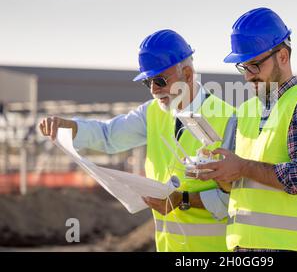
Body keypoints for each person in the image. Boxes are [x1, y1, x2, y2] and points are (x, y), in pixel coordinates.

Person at [39, 29, 235, 252]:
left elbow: (237, 197)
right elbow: (108, 136)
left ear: (188, 75)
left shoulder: (228, 118)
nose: (153, 90)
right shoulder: (151, 113)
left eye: (160, 80)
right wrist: (70, 127)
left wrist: (184, 199)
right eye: (148, 82)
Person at [196, 8, 297, 252]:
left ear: (282, 56)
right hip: (245, 247)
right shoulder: (246, 111)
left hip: (293, 247)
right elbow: (241, 185)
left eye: (255, 65)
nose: (249, 76)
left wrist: (241, 166)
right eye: (243, 67)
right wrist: (223, 175)